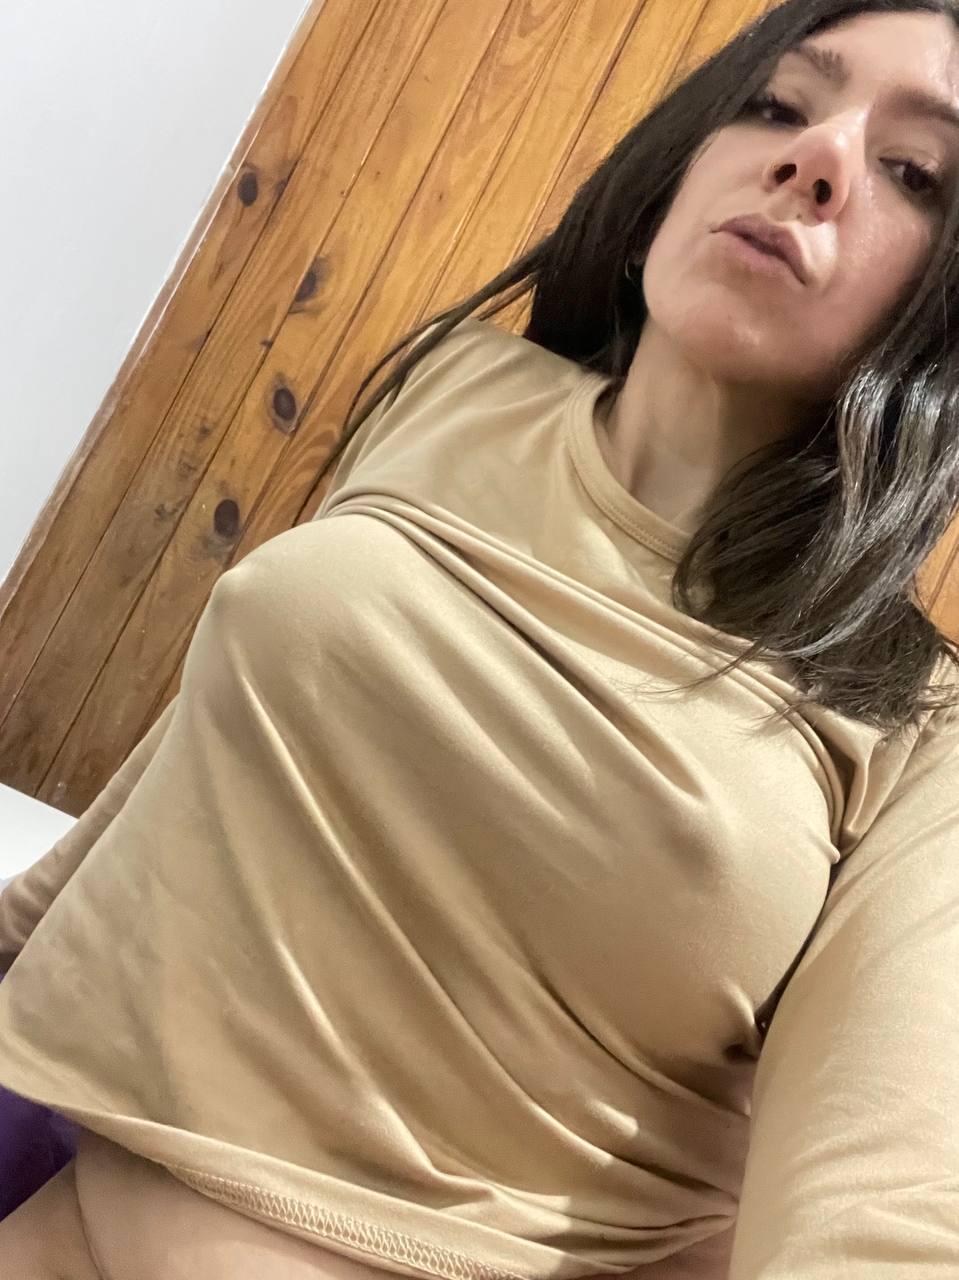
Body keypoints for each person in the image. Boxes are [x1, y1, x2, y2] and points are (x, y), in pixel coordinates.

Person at [1, 0, 958, 1275]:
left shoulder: (915, 718)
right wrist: (18, 937)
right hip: (73, 1194)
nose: (814, 157)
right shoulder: (456, 385)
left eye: (913, 172)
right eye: (776, 103)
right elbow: (227, 753)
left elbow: (885, 1204)